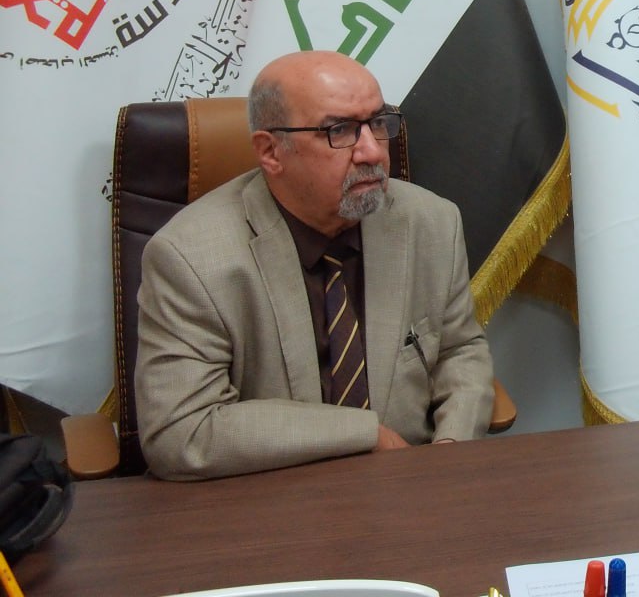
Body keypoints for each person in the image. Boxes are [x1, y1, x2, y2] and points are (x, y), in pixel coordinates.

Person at [135, 50, 494, 480]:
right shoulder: (190, 257)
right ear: (271, 151)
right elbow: (181, 432)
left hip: (411, 485)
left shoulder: (432, 222)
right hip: (271, 495)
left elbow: (459, 352)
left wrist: (450, 453)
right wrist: (366, 435)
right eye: (339, 130)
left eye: (378, 123)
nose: (371, 151)